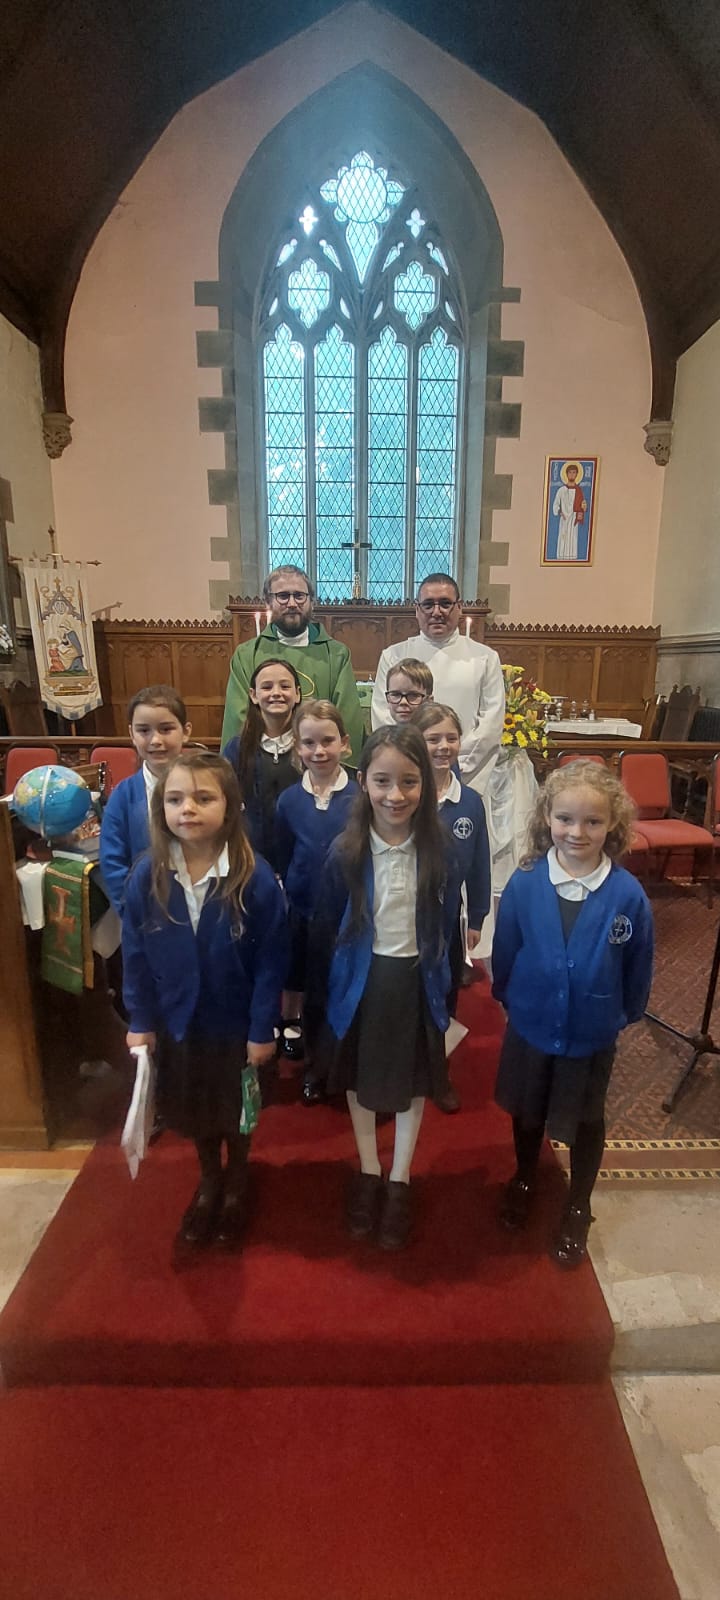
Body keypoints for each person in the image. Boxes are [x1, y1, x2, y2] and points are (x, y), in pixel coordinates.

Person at [122, 751, 288, 1250]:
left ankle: (236, 1180)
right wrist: (140, 1018)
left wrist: (263, 1028)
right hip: (177, 1021)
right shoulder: (147, 876)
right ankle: (208, 1180)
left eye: (202, 797)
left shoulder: (253, 877)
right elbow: (134, 953)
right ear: (161, 809)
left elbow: (272, 962)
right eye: (175, 799)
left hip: (232, 1023)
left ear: (230, 806)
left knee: (234, 1108)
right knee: (193, 1107)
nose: (187, 809)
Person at [492, 759, 654, 1268]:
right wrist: (512, 1000)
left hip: (591, 1032)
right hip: (532, 1023)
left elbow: (638, 965)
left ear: (613, 825)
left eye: (592, 822)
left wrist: (619, 1014)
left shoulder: (627, 894)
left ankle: (579, 1203)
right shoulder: (524, 883)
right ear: (547, 821)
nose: (577, 832)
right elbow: (506, 950)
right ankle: (524, 1174)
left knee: (586, 1119)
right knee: (527, 1109)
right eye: (565, 819)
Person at [308, 725, 458, 1251]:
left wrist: (450, 998)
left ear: (427, 785)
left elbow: (448, 931)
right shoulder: (345, 853)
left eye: (410, 782)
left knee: (413, 1081)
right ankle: (369, 1170)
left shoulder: (439, 853)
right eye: (382, 781)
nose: (396, 795)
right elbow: (323, 928)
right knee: (361, 1078)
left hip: (416, 981)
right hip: (361, 982)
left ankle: (400, 1178)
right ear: (362, 781)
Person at [274, 699, 359, 1099]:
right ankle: (316, 1067)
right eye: (309, 743)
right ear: (297, 746)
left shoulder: (361, 797)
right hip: (304, 915)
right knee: (312, 994)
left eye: (328, 741)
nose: (319, 751)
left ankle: (348, 1064)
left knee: (346, 991)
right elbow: (282, 854)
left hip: (349, 917)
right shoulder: (289, 801)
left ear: (344, 743)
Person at [413, 702, 491, 1112]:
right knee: (407, 995)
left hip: (447, 921)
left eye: (451, 738)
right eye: (433, 739)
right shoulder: (407, 793)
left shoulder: (470, 803)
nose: (443, 747)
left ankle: (439, 1074)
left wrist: (477, 915)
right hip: (407, 919)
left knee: (445, 994)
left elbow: (479, 861)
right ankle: (406, 1069)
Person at [371, 573, 505, 797]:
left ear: (459, 607)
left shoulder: (485, 658)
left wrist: (453, 761)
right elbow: (383, 714)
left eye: (445, 603)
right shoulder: (394, 655)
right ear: (417, 610)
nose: (436, 612)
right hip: (408, 773)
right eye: (428, 604)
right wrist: (412, 761)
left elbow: (491, 721)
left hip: (465, 772)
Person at [221, 565, 365, 762]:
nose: (292, 603)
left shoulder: (336, 654)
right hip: (262, 768)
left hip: (320, 764)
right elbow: (238, 717)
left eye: (299, 596)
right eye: (282, 596)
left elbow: (347, 718)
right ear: (268, 601)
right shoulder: (247, 655)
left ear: (311, 601)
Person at [100, 685, 192, 915]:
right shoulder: (123, 795)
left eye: (166, 729)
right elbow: (113, 863)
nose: (155, 740)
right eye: (144, 730)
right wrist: (131, 912)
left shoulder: (205, 787)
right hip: (146, 910)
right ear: (131, 734)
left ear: (186, 731)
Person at [222, 657, 302, 871]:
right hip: (251, 861)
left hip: (299, 861)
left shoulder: (309, 748)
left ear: (297, 694)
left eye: (285, 686)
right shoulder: (237, 749)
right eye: (266, 687)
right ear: (253, 695)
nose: (276, 692)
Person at [552, 462, 587, 562]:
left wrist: (584, 507)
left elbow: (582, 506)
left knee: (572, 539)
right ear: (566, 474)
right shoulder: (561, 490)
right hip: (564, 519)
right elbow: (555, 504)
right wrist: (559, 512)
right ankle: (561, 557)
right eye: (570, 472)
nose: (572, 474)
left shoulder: (579, 491)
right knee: (563, 539)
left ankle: (571, 558)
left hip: (573, 519)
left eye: (574, 472)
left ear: (577, 474)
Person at [384, 658, 434, 723]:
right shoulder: (384, 733)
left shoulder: (440, 732)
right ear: (388, 699)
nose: (403, 702)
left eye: (413, 695)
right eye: (396, 694)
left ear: (429, 701)